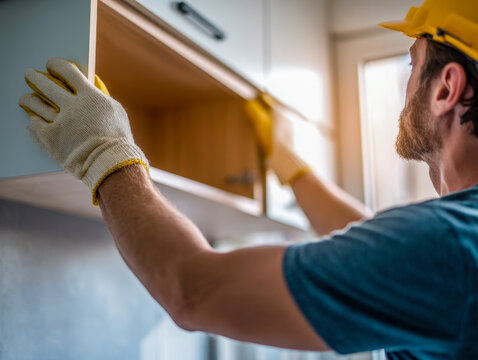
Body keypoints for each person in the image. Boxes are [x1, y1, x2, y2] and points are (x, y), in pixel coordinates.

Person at [17, 0, 478, 358]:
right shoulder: (454, 240)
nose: (407, 83)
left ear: (445, 88)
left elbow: (193, 290)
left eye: (412, 64)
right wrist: (290, 167)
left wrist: (102, 151)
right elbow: (384, 251)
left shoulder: (446, 244)